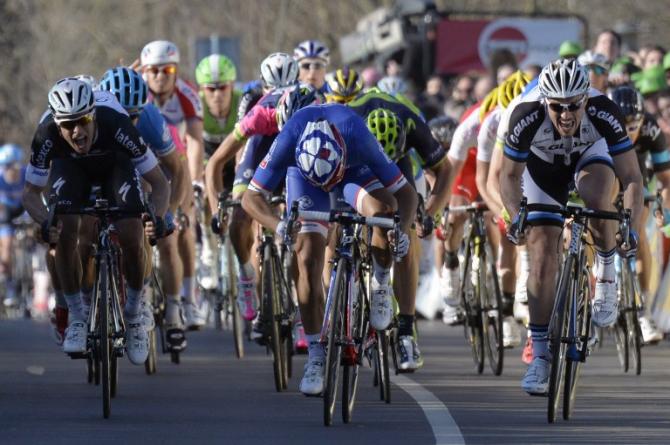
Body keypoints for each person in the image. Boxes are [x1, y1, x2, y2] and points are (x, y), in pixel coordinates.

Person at [242, 104, 417, 395]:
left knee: (384, 212)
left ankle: (380, 282)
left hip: (352, 173)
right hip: (305, 180)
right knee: (307, 255)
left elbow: (405, 193)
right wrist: (278, 225)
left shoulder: (356, 132)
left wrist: (403, 231)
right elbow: (251, 197)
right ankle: (316, 356)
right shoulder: (288, 138)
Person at [500, 59, 643, 395]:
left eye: (574, 106)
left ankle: (606, 272)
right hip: (542, 167)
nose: (566, 114)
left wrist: (631, 227)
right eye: (557, 107)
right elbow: (507, 176)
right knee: (541, 251)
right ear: (544, 102)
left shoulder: (604, 110)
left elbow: (633, 176)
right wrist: (515, 214)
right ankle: (540, 355)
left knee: (597, 201)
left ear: (586, 99)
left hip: (589, 157)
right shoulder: (525, 115)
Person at [23, 78, 170, 365]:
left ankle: (134, 314)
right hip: (70, 167)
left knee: (131, 231)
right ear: (56, 122)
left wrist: (158, 217)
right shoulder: (46, 135)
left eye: (84, 120)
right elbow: (30, 193)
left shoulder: (116, 123)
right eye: (68, 124)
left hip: (116, 163)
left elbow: (160, 183)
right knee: (63, 227)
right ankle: (77, 315)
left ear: (94, 113)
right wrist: (44, 221)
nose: (77, 131)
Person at [98, 66, 189, 350]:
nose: (128, 121)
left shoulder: (150, 118)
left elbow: (177, 169)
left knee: (163, 236)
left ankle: (172, 311)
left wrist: (168, 212)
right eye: (122, 115)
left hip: (148, 170)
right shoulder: (95, 117)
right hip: (110, 169)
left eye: (133, 116)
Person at [141, 40, 205, 329]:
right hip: (143, 163)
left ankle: (188, 302)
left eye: (167, 69)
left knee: (185, 226)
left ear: (176, 70)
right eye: (152, 70)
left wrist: (194, 184)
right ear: (144, 71)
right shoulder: (136, 92)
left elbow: (194, 144)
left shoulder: (188, 94)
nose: (160, 76)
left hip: (175, 161)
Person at [609, 86, 669, 343]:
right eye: (625, 125)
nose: (630, 130)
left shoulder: (651, 129)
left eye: (635, 124)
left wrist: (664, 210)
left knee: (639, 234)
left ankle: (642, 308)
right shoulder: (604, 124)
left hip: (637, 176)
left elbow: (665, 179)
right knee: (603, 226)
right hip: (608, 173)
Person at [0, 143, 26, 308]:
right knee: (7, 245)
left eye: (15, 165)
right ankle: (9, 286)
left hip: (24, 210)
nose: (12, 170)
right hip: (5, 213)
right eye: (8, 166)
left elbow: (37, 196)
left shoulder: (25, 174)